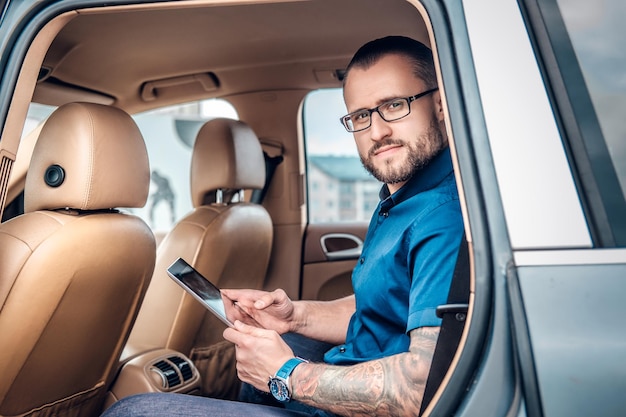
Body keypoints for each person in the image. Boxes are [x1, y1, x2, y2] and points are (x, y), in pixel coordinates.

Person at [101, 35, 464, 417]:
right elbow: (387, 305)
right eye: (361, 116)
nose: (376, 132)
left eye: (394, 105)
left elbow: (422, 388)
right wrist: (296, 317)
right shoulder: (402, 198)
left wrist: (286, 374)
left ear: (440, 105)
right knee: (273, 348)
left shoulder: (442, 216)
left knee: (130, 412)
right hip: (359, 368)